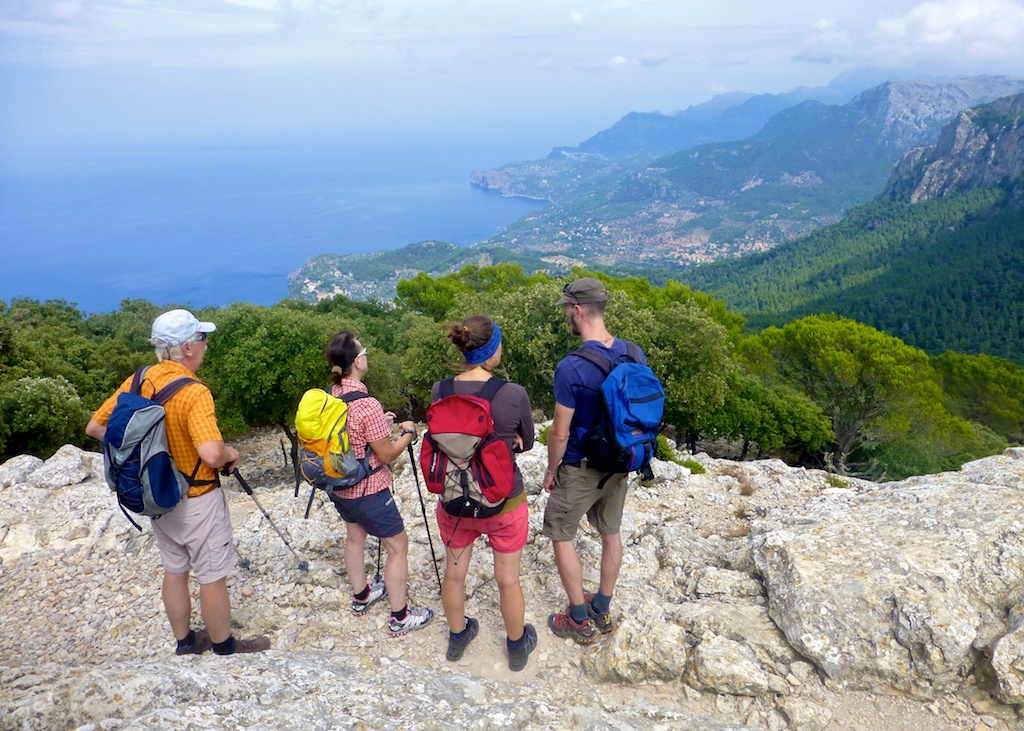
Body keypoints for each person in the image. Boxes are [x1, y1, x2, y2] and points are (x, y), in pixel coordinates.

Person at [85, 309, 270, 656]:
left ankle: (185, 643)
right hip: (197, 497)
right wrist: (233, 452)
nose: (206, 345)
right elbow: (211, 453)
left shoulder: (139, 380)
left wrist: (151, 454)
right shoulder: (194, 393)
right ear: (186, 348)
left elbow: (96, 427)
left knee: (175, 569)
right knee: (211, 574)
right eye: (202, 339)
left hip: (156, 495)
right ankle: (224, 647)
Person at [542, 278, 648, 644]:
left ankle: (577, 618)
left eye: (567, 310)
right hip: (621, 463)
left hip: (581, 466)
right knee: (611, 533)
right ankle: (601, 608)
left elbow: (559, 432)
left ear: (578, 310)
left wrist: (552, 470)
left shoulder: (571, 367)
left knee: (561, 533)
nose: (567, 317)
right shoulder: (634, 353)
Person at [430, 316, 538, 671]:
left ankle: (458, 637)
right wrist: (513, 442)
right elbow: (528, 439)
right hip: (503, 503)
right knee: (507, 580)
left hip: (456, 503)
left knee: (455, 573)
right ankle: (516, 645)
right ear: (492, 350)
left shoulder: (440, 391)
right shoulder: (512, 394)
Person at [325, 330, 434, 637]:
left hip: (340, 487)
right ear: (357, 362)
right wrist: (408, 434)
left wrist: (379, 427)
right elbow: (385, 455)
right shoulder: (366, 403)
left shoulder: (331, 394)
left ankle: (361, 597)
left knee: (355, 537)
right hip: (369, 490)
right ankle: (400, 617)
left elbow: (350, 437)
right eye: (364, 352)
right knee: (398, 546)